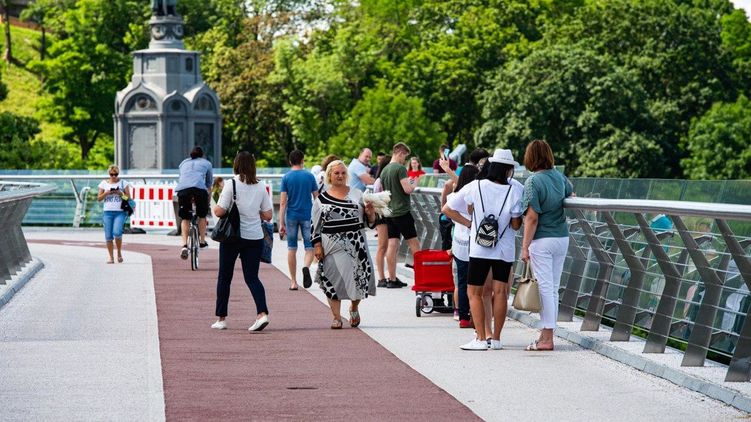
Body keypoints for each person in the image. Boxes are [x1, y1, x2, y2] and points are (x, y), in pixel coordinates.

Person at [443, 149, 523, 351]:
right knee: (501, 292)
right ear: (508, 170)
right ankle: (496, 339)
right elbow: (515, 225)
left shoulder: (476, 186)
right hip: (504, 249)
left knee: (474, 293)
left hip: (480, 248)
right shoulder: (514, 190)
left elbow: (448, 208)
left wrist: (470, 223)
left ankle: (480, 338)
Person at [520, 140, 574, 351]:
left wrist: (525, 247)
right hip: (562, 237)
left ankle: (547, 338)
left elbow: (532, 218)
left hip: (542, 239)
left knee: (544, 288)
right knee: (552, 288)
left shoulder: (533, 181)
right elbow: (570, 192)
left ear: (530, 157)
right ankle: (546, 333)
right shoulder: (559, 177)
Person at [211, 152, 274, 332]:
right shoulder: (261, 186)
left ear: (236, 165)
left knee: (225, 277)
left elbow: (219, 211)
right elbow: (268, 215)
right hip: (254, 237)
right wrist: (253, 211)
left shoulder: (231, 184)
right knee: (252, 278)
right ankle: (262, 313)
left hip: (232, 237)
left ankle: (221, 319)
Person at [312, 160, 377, 329]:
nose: (340, 176)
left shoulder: (357, 194)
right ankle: (336, 317)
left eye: (342, 173)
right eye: (336, 173)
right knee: (332, 279)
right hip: (331, 245)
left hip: (357, 244)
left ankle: (354, 308)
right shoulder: (321, 199)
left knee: (359, 279)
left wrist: (371, 213)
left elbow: (370, 222)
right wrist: (317, 245)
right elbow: (315, 226)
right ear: (329, 175)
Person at [279, 150, 319, 290]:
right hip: (307, 215)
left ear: (290, 161)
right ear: (302, 160)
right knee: (310, 247)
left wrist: (281, 223)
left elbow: (283, 203)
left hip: (291, 216)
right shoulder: (309, 176)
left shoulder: (286, 177)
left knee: (292, 248)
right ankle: (306, 267)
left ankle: (293, 282)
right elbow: (317, 198)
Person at [381, 142, 420, 289]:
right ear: (400, 153)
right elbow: (407, 189)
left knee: (392, 244)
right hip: (402, 212)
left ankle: (391, 279)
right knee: (414, 244)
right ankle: (421, 278)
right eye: (405, 156)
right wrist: (414, 184)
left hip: (389, 212)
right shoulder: (400, 168)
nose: (405, 160)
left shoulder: (384, 170)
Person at [445, 165, 480, 328]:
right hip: (474, 243)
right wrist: (469, 223)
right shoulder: (475, 194)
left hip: (458, 242)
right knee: (476, 282)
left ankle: (463, 316)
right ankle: (475, 315)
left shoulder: (454, 195)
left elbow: (445, 211)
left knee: (461, 281)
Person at [175, 146, 213, 259]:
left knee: (185, 218)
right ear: (202, 155)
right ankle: (202, 242)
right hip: (199, 191)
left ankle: (184, 245)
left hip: (183, 191)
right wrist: (207, 201)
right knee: (202, 215)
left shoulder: (183, 163)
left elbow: (182, 179)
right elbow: (209, 184)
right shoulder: (207, 163)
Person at [97, 165, 132, 264]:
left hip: (120, 212)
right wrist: (106, 193)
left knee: (117, 232)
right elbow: (99, 199)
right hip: (107, 212)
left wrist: (121, 194)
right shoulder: (104, 183)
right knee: (108, 236)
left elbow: (128, 198)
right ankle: (111, 257)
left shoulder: (123, 183)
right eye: (112, 174)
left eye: (116, 174)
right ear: (109, 174)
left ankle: (119, 253)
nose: (114, 176)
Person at [372, 155, 392, 288]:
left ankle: (390, 275)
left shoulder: (385, 179)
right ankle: (381, 277)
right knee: (382, 246)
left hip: (388, 213)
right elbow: (375, 200)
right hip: (382, 214)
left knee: (390, 246)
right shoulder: (379, 181)